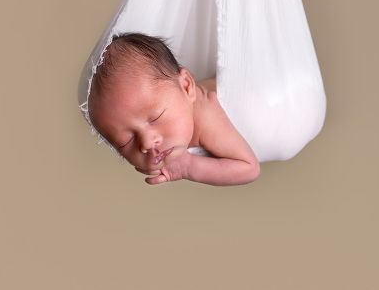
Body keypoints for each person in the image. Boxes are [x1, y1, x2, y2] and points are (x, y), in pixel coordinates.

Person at [86, 32, 260, 186]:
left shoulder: (206, 116)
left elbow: (248, 168)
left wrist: (187, 166)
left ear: (186, 87)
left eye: (155, 118)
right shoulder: (174, 102)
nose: (147, 143)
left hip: (264, 93)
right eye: (126, 141)